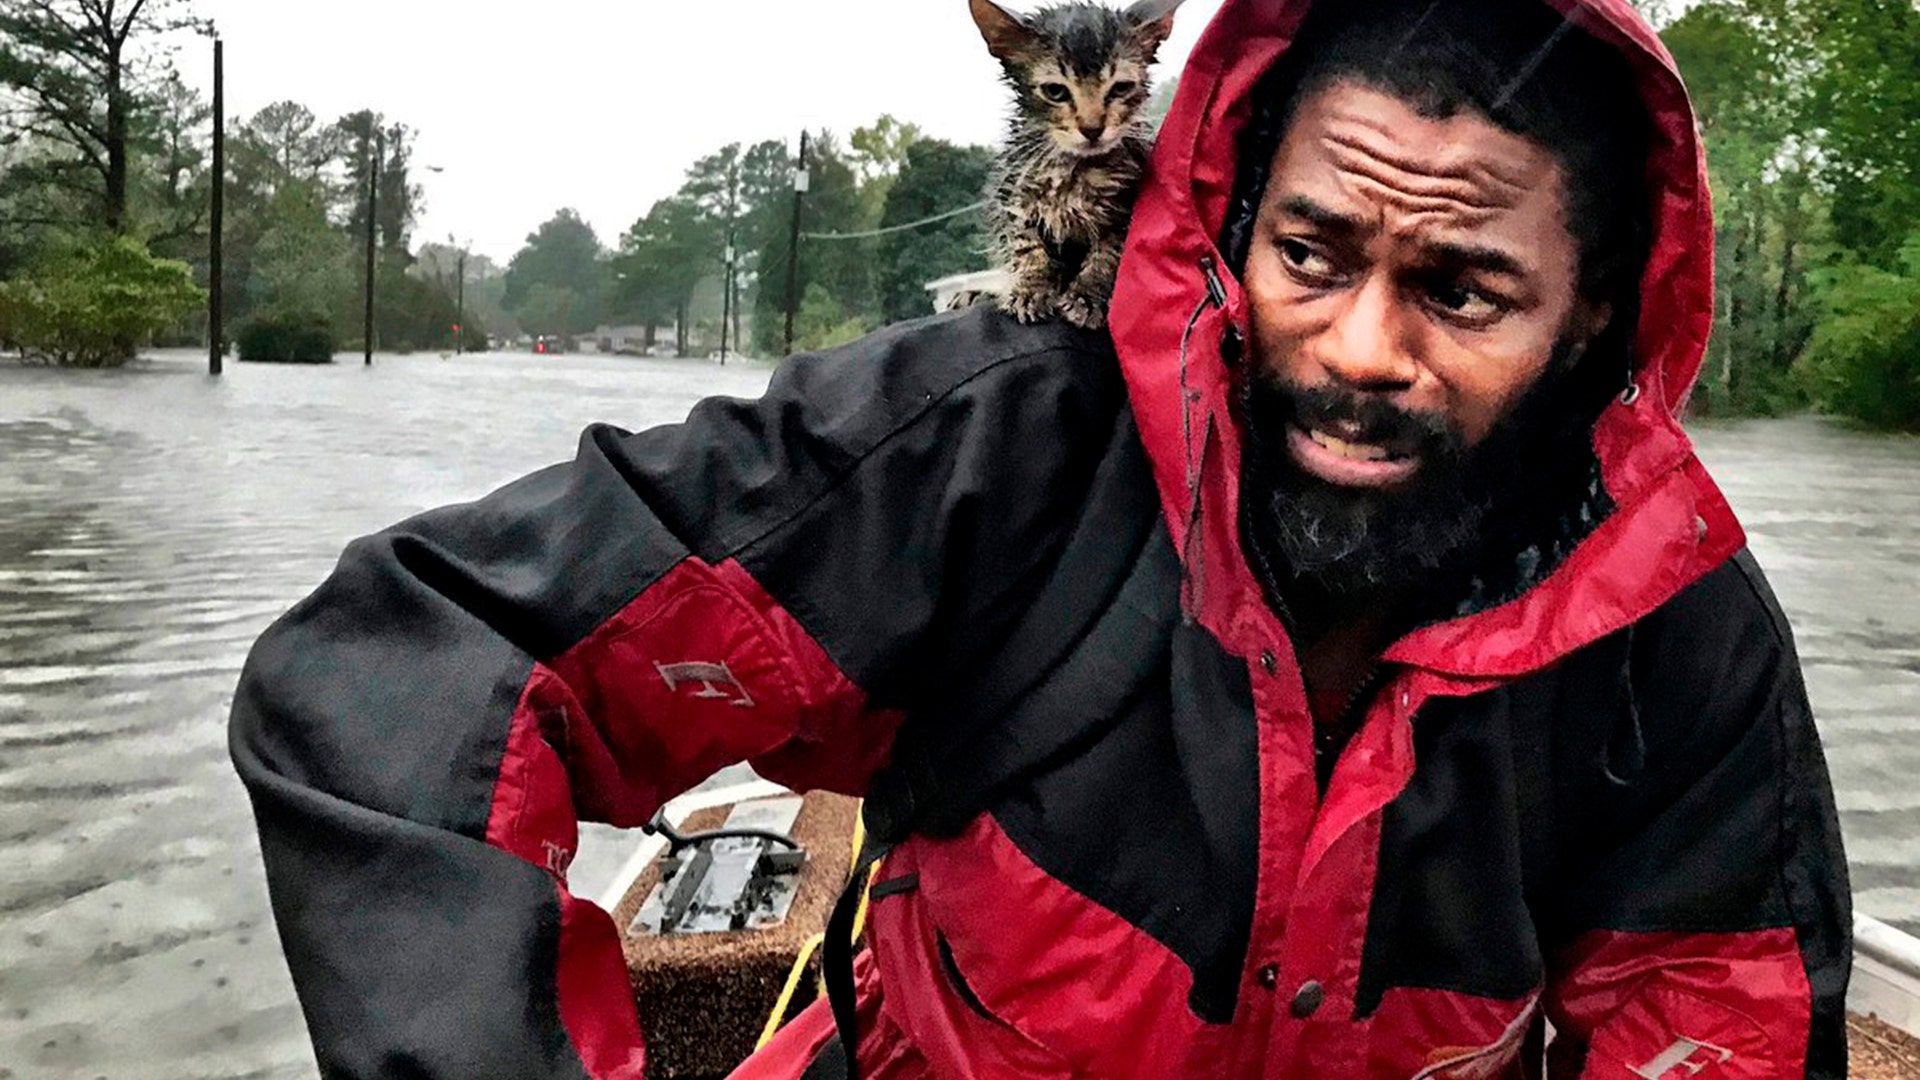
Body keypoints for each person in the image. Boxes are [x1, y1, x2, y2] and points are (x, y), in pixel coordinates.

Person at [230, 0, 1852, 1076]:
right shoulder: (992, 462)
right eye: (1311, 252)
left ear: (1587, 331)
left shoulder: (1671, 631)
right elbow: (420, 675)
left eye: (1463, 290)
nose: (1361, 348)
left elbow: (1725, 1023)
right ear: (1228, 224)